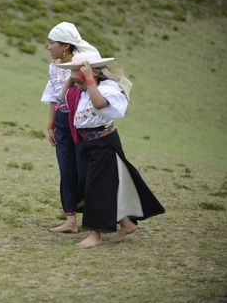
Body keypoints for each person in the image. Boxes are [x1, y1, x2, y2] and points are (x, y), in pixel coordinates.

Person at [57, 51, 165, 248]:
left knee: (95, 189)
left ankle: (95, 234)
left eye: (78, 80)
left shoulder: (107, 88)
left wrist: (88, 79)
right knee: (106, 186)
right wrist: (74, 79)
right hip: (87, 144)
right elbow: (63, 96)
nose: (77, 85)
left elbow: (99, 104)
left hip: (103, 142)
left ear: (94, 74)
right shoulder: (81, 91)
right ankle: (127, 222)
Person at [40, 22, 99, 233]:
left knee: (83, 171)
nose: (48, 47)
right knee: (66, 170)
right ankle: (70, 220)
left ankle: (94, 215)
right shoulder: (53, 65)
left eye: (52, 43)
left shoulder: (81, 64)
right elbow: (54, 97)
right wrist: (51, 125)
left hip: (80, 123)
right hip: (62, 123)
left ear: (65, 46)